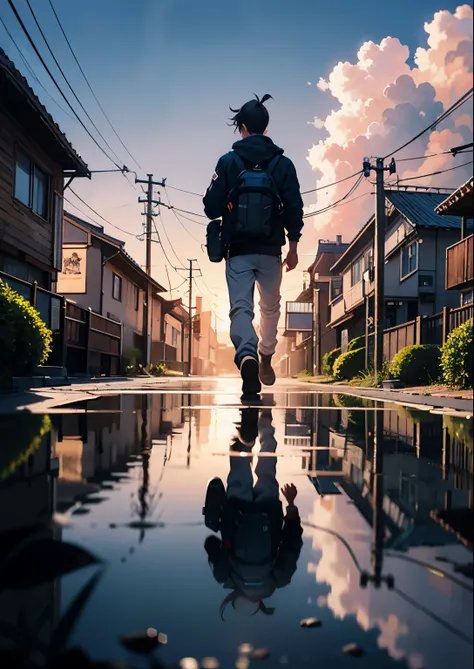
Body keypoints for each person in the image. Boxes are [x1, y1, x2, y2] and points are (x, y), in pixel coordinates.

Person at [203, 94, 304, 398]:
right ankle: (266, 355)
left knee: (240, 310)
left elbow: (210, 207)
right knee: (270, 308)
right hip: (272, 251)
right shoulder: (283, 163)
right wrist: (294, 246)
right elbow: (295, 207)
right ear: (266, 128)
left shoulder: (228, 162)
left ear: (243, 127)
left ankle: (246, 355)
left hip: (238, 252)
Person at [202, 407, 303, 619]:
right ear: (236, 596)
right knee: (240, 467)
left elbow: (292, 543)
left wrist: (291, 504)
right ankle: (244, 435)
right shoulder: (225, 577)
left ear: (259, 601)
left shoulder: (279, 579)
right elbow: (210, 543)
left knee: (267, 464)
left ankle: (265, 424)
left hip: (269, 510)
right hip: (236, 509)